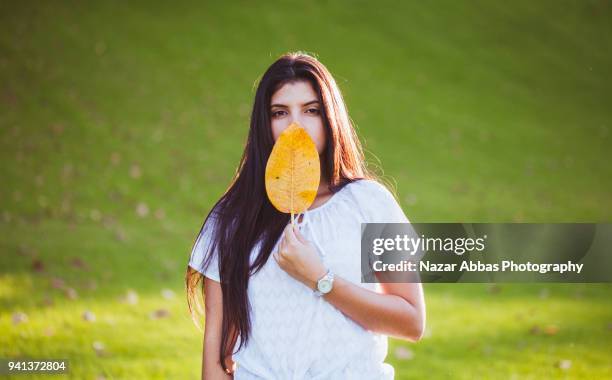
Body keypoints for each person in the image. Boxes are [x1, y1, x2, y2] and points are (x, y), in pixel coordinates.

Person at [185, 51, 426, 379]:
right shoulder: (230, 219)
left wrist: (321, 279)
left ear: (330, 119)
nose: (295, 125)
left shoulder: (371, 203)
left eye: (311, 110)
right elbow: (215, 361)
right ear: (263, 124)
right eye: (279, 112)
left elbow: (411, 321)